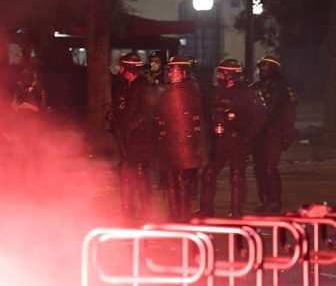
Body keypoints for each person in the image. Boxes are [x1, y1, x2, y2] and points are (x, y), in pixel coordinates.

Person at [199, 59, 267, 216]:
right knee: (208, 174)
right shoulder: (217, 92)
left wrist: (247, 136)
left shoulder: (247, 93)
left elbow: (260, 117)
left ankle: (236, 211)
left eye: (221, 73)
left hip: (238, 141)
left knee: (237, 176)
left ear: (229, 75)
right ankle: (206, 209)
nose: (219, 76)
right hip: (220, 141)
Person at [157, 56, 205, 221]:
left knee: (180, 182)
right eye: (170, 70)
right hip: (176, 147)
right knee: (175, 182)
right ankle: (176, 214)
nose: (170, 74)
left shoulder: (181, 91)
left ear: (183, 72)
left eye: (174, 70)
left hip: (181, 147)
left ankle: (180, 215)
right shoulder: (187, 89)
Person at [108, 53, 155, 221]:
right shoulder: (123, 86)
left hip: (140, 140)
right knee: (126, 173)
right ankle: (127, 209)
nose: (119, 69)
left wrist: (135, 124)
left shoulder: (144, 87)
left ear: (129, 68)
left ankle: (145, 210)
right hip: (125, 139)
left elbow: (148, 112)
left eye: (122, 66)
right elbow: (120, 107)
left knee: (141, 175)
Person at [249, 56, 297, 213]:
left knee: (270, 168)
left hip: (274, 133)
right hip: (258, 133)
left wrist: (287, 134)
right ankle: (265, 200)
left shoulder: (283, 87)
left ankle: (275, 202)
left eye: (265, 66)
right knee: (259, 168)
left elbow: (289, 113)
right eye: (261, 66)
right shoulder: (256, 86)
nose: (262, 69)